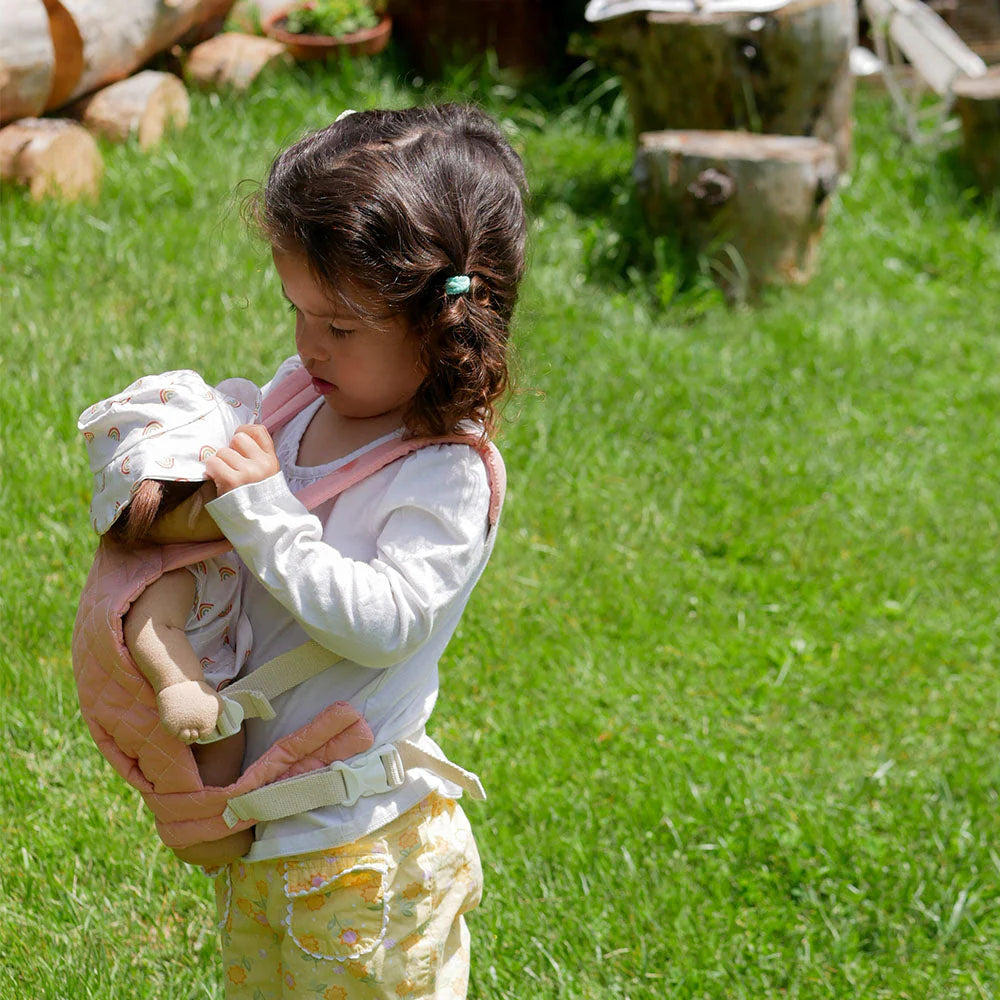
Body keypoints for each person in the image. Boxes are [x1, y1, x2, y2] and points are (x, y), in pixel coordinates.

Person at [198, 104, 527, 999]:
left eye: (339, 327)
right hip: (270, 828)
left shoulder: (444, 474)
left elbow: (381, 623)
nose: (307, 346)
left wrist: (263, 510)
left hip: (365, 852)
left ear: (444, 324)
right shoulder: (303, 399)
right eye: (297, 311)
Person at [78, 370, 261, 816]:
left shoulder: (192, 543)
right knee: (222, 754)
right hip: (203, 692)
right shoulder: (174, 574)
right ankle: (216, 823)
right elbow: (153, 626)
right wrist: (181, 684)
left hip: (222, 676)